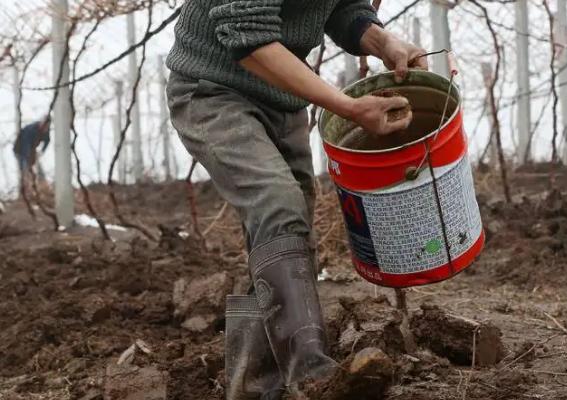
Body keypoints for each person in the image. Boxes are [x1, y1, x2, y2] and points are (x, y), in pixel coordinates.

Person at [166, 1, 427, 398]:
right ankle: (313, 377)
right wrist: (349, 107)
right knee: (277, 202)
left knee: (287, 236)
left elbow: (339, 8)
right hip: (212, 88)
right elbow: (247, 38)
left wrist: (384, 41)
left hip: (282, 96)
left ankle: (251, 390)